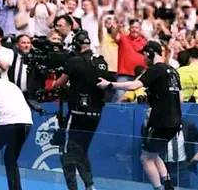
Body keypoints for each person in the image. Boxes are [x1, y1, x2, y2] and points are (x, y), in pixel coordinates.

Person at [99, 40, 182, 190]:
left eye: (144, 55)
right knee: (154, 154)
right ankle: (168, 185)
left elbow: (133, 86)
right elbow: (179, 98)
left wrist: (110, 84)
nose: (143, 59)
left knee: (145, 158)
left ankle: (159, 188)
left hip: (161, 121)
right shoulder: (173, 71)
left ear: (150, 54)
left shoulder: (155, 70)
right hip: (175, 122)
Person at [52, 30, 109, 190]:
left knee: (66, 152)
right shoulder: (101, 62)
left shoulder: (74, 61)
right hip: (96, 114)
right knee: (81, 149)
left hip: (77, 113)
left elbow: (59, 83)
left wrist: (54, 81)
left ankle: (73, 188)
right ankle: (90, 186)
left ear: (77, 45)